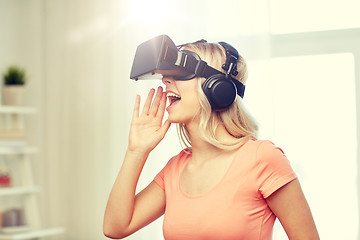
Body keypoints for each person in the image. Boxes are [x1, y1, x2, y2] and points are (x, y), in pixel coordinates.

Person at [103, 38, 320, 240]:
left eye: (180, 74)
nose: (165, 80)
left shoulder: (262, 158)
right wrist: (136, 151)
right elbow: (116, 227)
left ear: (217, 88)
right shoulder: (175, 169)